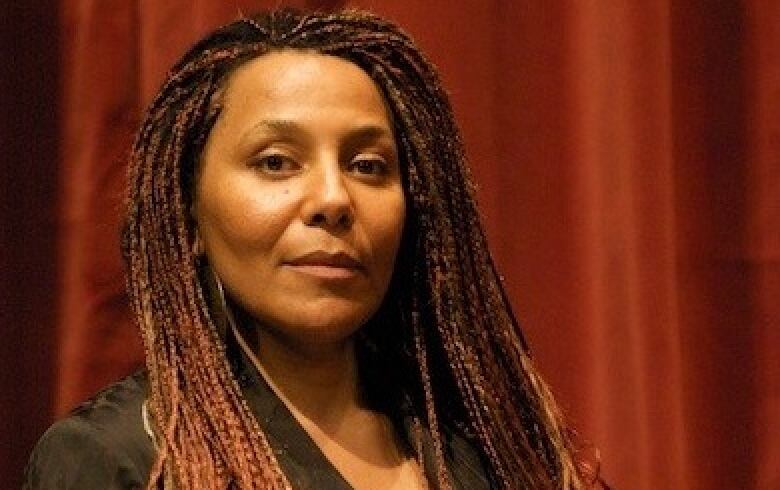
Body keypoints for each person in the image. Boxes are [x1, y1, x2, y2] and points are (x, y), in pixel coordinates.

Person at [24, 8, 607, 490]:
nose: (334, 198)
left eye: (367, 165)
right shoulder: (116, 459)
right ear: (189, 215)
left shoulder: (491, 448)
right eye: (276, 162)